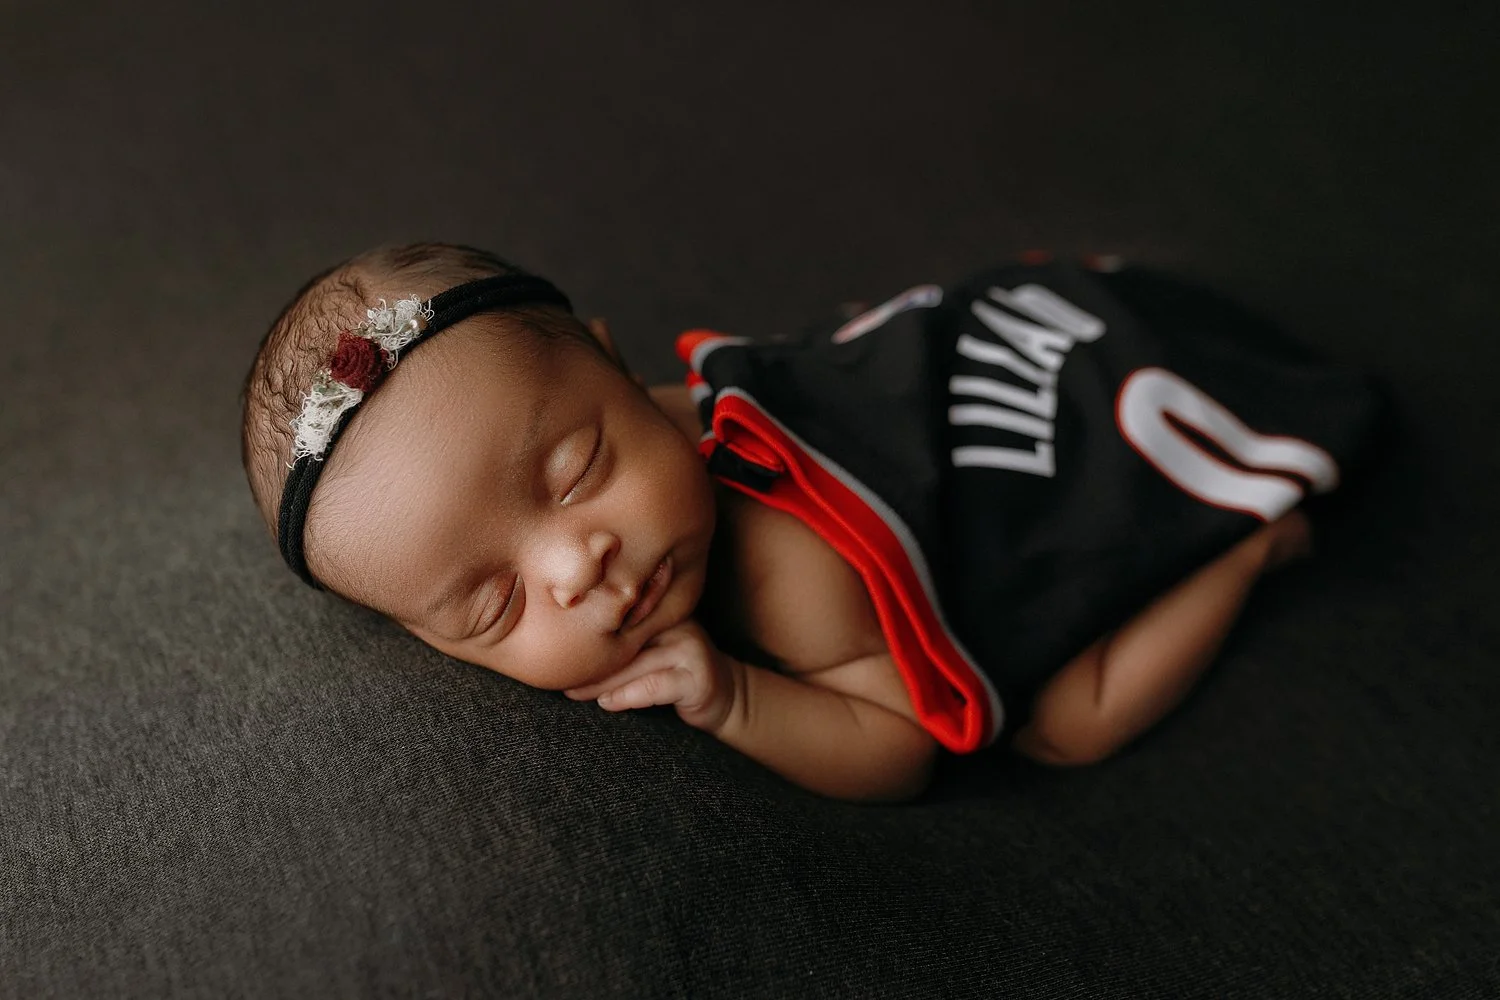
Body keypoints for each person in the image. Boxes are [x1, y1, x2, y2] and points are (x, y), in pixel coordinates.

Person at [241, 243, 1381, 802]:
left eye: (581, 465)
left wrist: (735, 696)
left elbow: (905, 748)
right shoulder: (653, 430)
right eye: (494, 603)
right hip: (1002, 357)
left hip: (1078, 435)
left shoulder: (796, 568)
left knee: (1066, 726)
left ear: (617, 362)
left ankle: (1249, 544)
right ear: (431, 644)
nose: (578, 564)